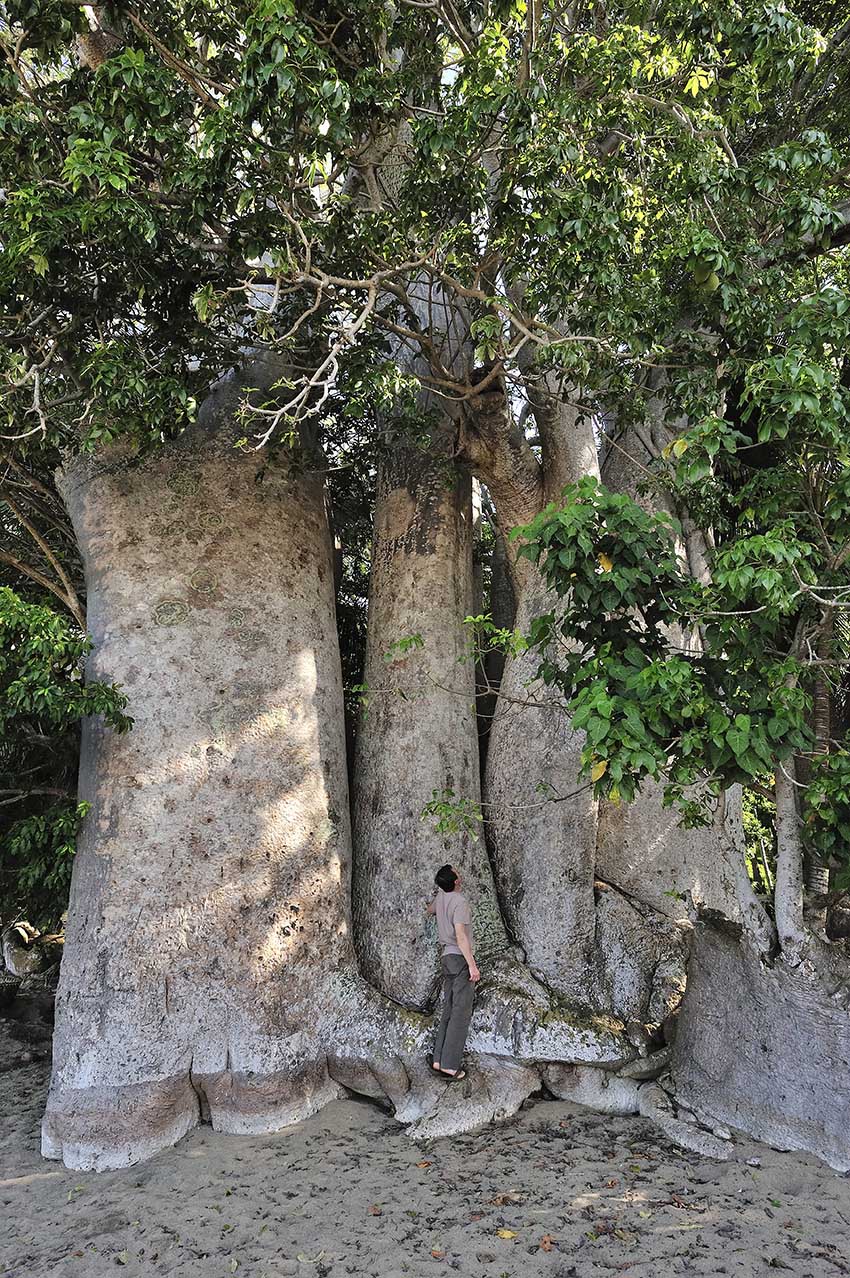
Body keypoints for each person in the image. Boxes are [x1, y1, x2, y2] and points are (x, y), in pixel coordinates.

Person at [426, 863, 480, 1080]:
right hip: (459, 958)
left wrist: (442, 896)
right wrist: (472, 965)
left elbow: (429, 910)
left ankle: (439, 1058)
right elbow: (461, 936)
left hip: (446, 958)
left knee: (448, 1008)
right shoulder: (460, 902)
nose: (460, 871)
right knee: (460, 1012)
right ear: (456, 881)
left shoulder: (441, 899)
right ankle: (450, 1065)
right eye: (457, 872)